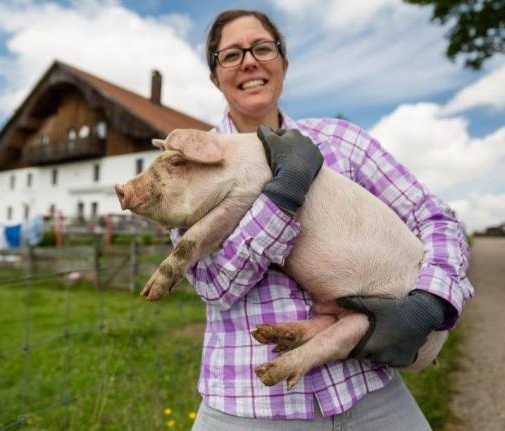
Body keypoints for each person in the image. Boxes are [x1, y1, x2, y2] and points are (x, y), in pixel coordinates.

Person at [168, 8, 474, 430]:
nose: (249, 62)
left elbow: (434, 216)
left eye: (262, 48)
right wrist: (282, 195)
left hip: (369, 391)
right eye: (232, 55)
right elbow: (215, 286)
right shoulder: (192, 163)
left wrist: (432, 299)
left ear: (283, 63)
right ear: (214, 77)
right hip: (251, 405)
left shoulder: (342, 142)